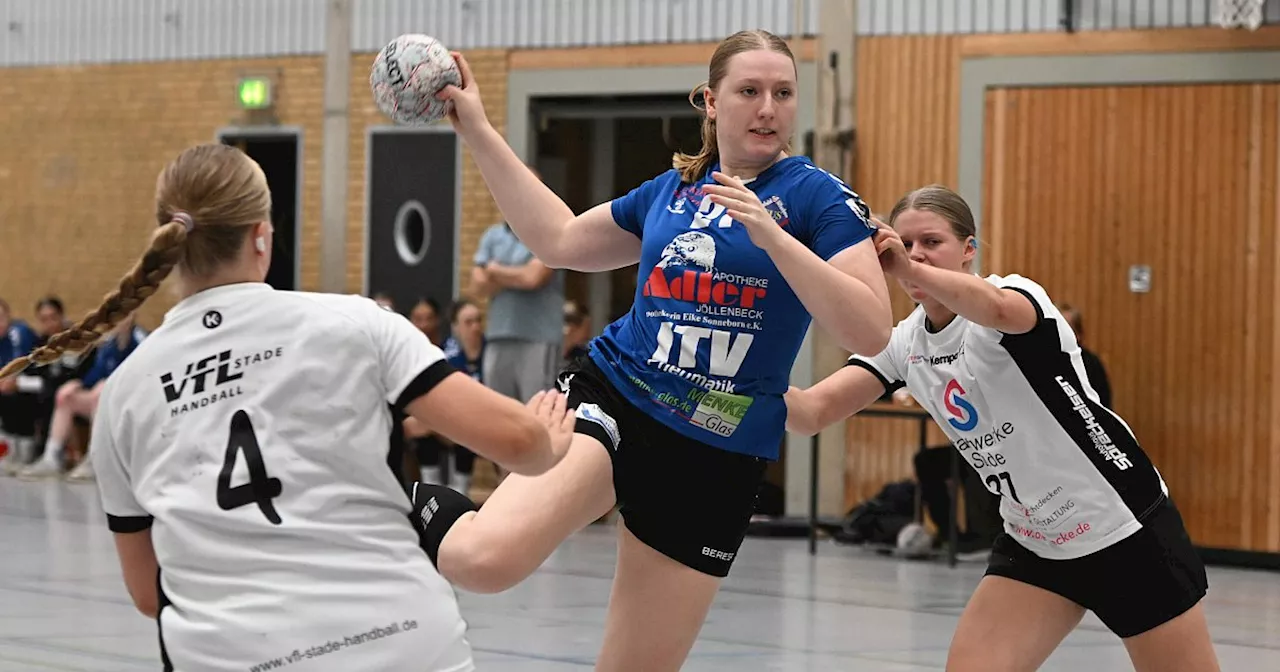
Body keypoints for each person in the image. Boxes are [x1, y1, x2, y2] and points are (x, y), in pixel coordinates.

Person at [412, 29, 893, 670]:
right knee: (484, 561)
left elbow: (870, 331)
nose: (768, 108)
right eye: (749, 91)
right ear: (711, 102)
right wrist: (475, 127)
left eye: (783, 92)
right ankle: (382, 489)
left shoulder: (816, 198)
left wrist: (774, 238)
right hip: (619, 399)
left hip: (717, 454)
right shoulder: (673, 191)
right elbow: (558, 239)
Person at [0, 143, 575, 672]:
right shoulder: (356, 323)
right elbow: (518, 446)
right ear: (260, 236)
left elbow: (149, 594)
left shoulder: (125, 392)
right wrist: (547, 438)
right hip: (404, 645)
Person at [784, 184, 1219, 672]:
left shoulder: (1013, 295)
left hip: (1122, 527)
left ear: (969, 249)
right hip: (1035, 542)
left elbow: (993, 308)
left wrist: (908, 267)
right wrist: (717, 377)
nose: (914, 255)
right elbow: (809, 413)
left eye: (931, 242)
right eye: (904, 245)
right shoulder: (901, 341)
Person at [19, 313, 148, 481]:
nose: (116, 322)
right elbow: (96, 373)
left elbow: (144, 375)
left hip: (132, 402)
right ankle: (52, 457)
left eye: (121, 316)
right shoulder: (108, 343)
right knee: (65, 396)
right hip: (103, 401)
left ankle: (95, 459)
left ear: (131, 316)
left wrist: (108, 385)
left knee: (101, 391)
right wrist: (78, 383)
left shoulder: (141, 339)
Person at [408, 297, 485, 494]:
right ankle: (431, 489)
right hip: (447, 424)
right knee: (422, 428)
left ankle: (460, 492)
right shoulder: (445, 356)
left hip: (480, 424)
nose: (475, 327)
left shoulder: (492, 352)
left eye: (479, 320)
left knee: (466, 431)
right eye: (468, 322)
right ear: (456, 326)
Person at [0, 298, 38, 474]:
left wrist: (11, 380)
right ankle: (9, 449)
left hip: (35, 383)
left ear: (8, 316)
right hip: (9, 385)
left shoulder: (19, 332)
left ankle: (24, 448)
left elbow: (18, 366)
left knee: (11, 390)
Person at [1058, 303, 1112, 408]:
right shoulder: (1041, 360)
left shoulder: (1091, 364)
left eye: (1066, 329)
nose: (1060, 333)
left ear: (1078, 334)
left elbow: (1103, 404)